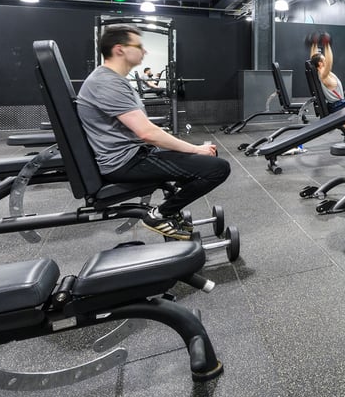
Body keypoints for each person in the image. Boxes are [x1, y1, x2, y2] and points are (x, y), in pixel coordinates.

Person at [75, 25, 230, 240]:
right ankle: (160, 214)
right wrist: (195, 149)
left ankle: (171, 209)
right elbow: (147, 132)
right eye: (139, 46)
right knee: (218, 169)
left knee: (205, 161)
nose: (144, 51)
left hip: (135, 154)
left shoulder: (113, 80)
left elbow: (144, 131)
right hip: (126, 162)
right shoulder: (106, 82)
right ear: (119, 49)